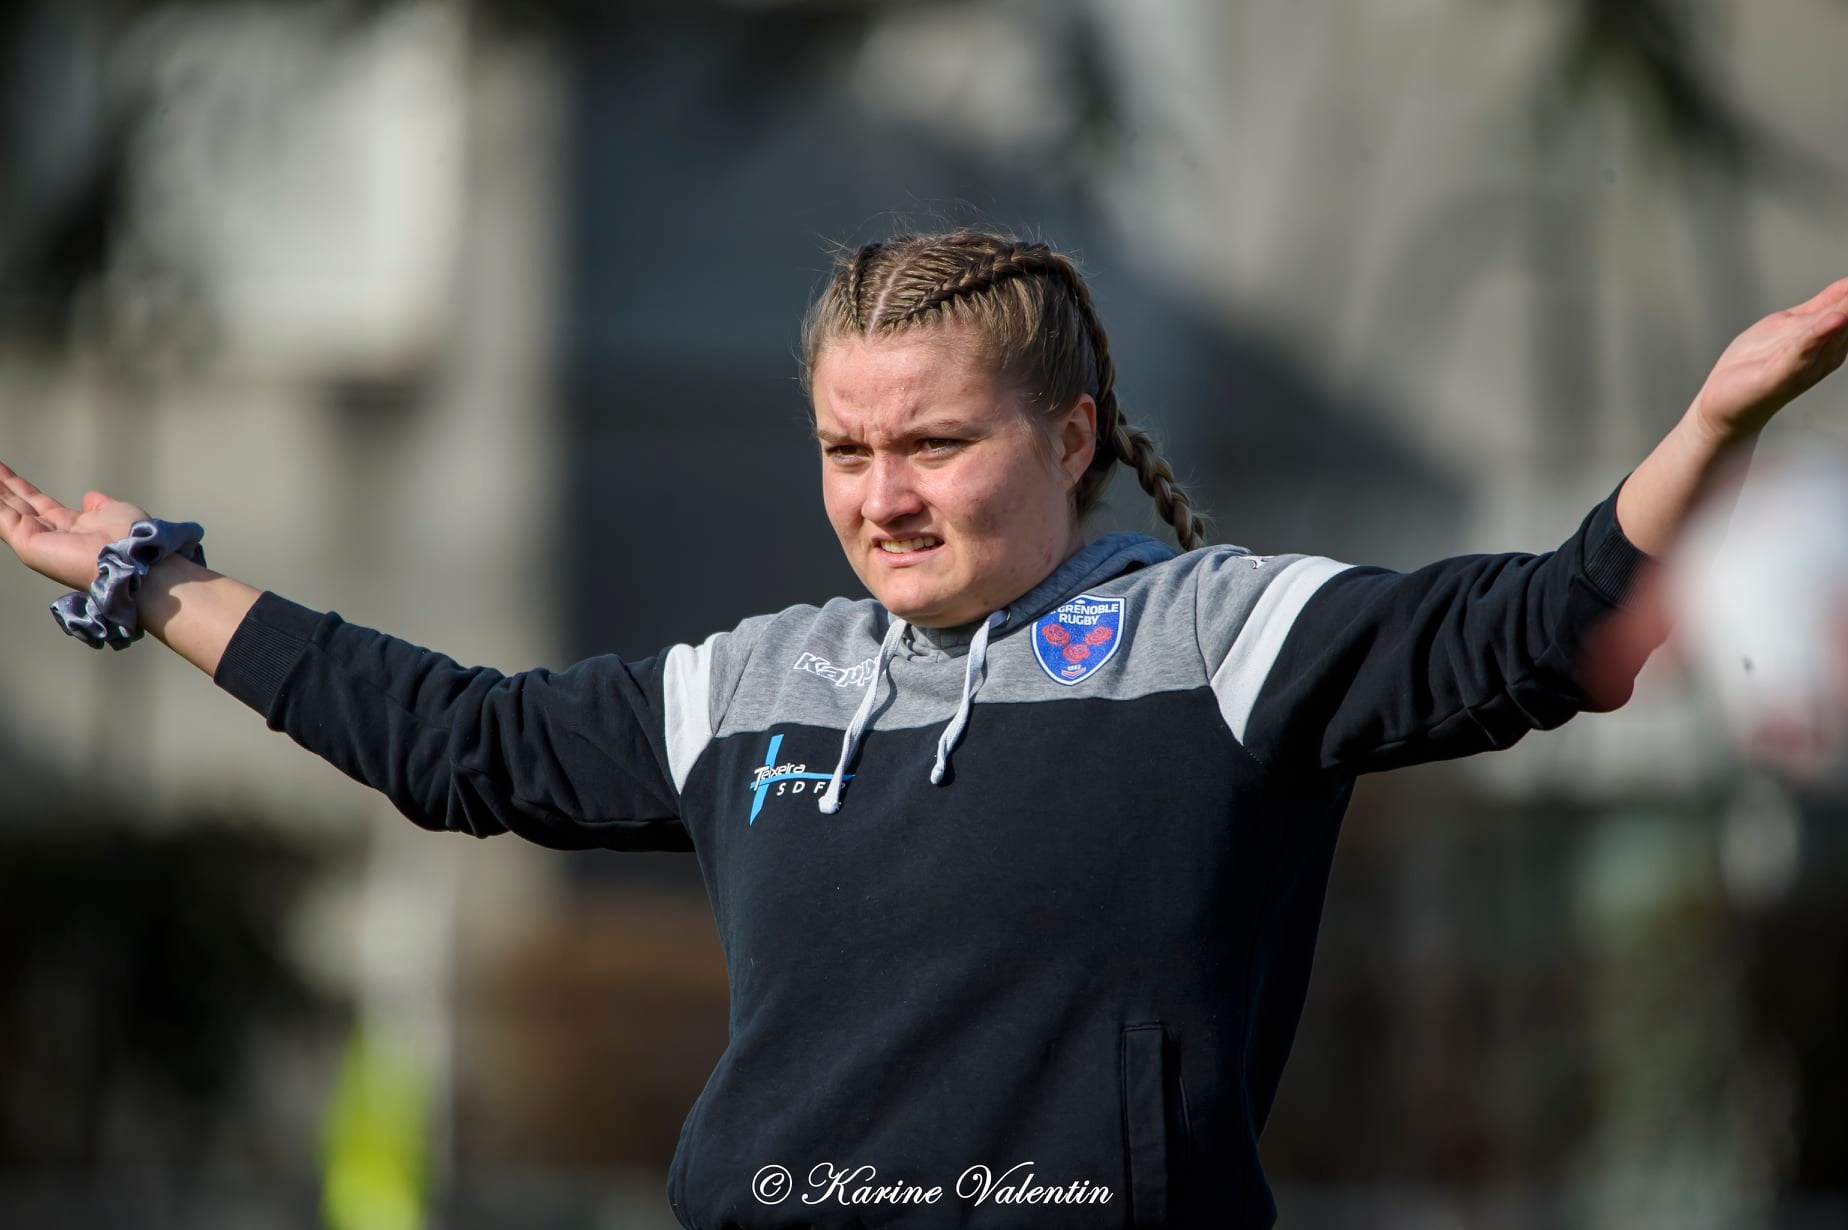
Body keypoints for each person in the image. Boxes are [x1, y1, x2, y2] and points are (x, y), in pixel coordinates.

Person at [2, 233, 1845, 1228]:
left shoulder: (1228, 641)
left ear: (1069, 435)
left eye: (936, 443)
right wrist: (158, 583)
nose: (882, 495)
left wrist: (1716, 421)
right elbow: (455, 742)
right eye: (846, 448)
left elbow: (1556, 631)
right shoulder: (753, 684)